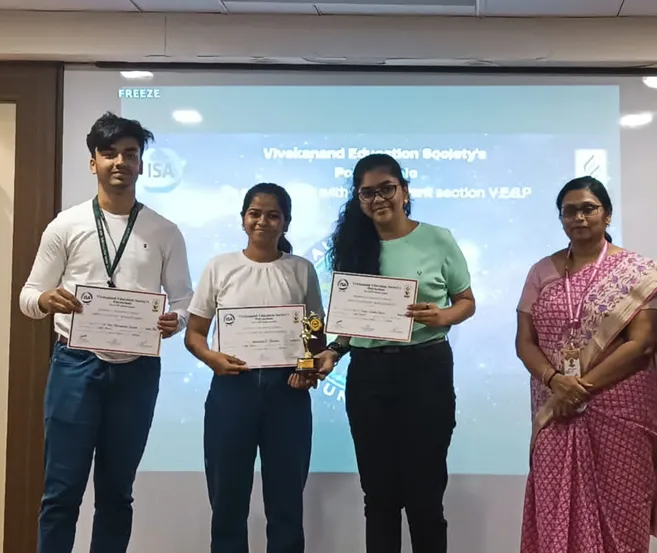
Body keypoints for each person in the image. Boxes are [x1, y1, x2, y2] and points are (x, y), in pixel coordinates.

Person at [19, 112, 194, 553]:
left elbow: (185, 302)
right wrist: (46, 301)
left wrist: (178, 322)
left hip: (137, 371)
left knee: (117, 493)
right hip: (75, 365)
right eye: (109, 153)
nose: (120, 161)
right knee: (61, 492)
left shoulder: (165, 230)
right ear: (93, 161)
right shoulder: (66, 224)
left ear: (141, 163)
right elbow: (28, 295)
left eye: (130, 154)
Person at [515, 176, 657, 553]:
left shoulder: (637, 273)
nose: (579, 217)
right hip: (554, 408)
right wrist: (556, 381)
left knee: (621, 514)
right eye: (569, 211)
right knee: (554, 510)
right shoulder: (540, 272)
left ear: (607, 215)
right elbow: (525, 341)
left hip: (620, 408)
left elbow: (641, 343)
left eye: (588, 208)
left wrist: (580, 386)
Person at [325, 153, 475, 553]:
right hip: (369, 374)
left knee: (425, 495)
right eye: (367, 192)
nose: (379, 199)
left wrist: (442, 314)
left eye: (387, 188)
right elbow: (350, 321)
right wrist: (334, 351)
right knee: (379, 496)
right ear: (358, 199)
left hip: (426, 368)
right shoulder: (353, 246)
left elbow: (466, 301)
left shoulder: (438, 238)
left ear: (404, 191)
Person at [185, 182, 336, 553]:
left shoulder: (300, 270)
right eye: (255, 213)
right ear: (242, 219)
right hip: (232, 389)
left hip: (288, 392)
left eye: (273, 215)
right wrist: (212, 358)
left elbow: (313, 335)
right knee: (227, 501)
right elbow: (194, 334)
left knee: (286, 502)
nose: (263, 222)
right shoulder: (220, 267)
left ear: (285, 223)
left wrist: (309, 369)